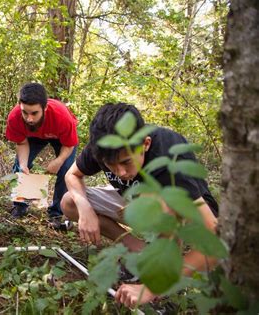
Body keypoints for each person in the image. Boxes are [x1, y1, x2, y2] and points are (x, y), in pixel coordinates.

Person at [61, 102, 219, 308]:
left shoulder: (169, 156)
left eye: (127, 162)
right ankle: (137, 249)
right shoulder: (103, 147)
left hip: (181, 209)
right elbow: (72, 174)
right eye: (111, 166)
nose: (121, 173)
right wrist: (85, 208)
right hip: (134, 202)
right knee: (69, 202)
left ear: (145, 143)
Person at [5, 82, 78, 229]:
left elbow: (69, 145)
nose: (29, 118)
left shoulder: (61, 117)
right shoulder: (15, 118)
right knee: (20, 166)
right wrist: (24, 165)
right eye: (25, 112)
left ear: (45, 108)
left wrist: (59, 161)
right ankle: (20, 206)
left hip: (61, 139)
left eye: (34, 113)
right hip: (33, 136)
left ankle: (56, 213)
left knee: (66, 171)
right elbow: (22, 143)